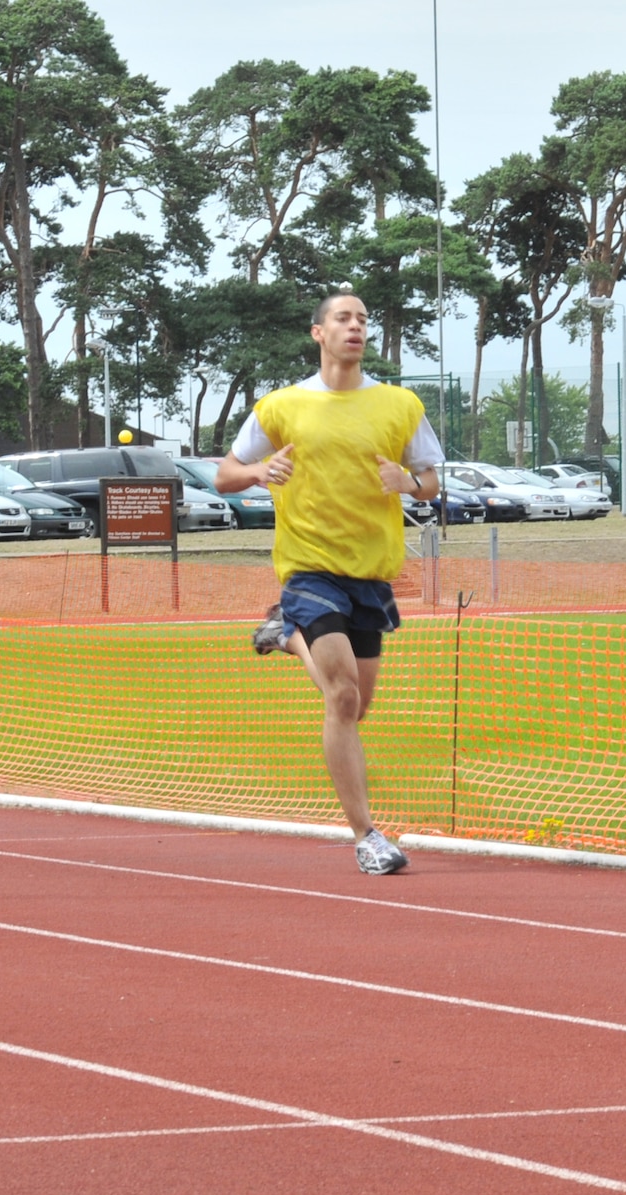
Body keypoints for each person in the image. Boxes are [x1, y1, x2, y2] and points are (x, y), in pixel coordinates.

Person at [217, 287, 444, 875]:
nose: (356, 327)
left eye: (364, 319)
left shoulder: (400, 405)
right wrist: (259, 470)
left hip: (371, 573)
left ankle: (285, 634)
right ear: (318, 332)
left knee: (356, 706)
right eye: (343, 318)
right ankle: (368, 835)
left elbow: (430, 482)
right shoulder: (282, 405)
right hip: (308, 565)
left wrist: (407, 483)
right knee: (340, 695)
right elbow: (224, 475)